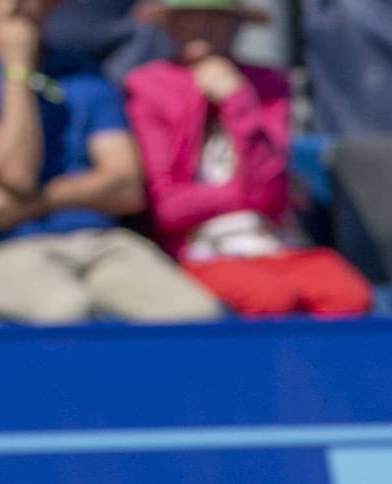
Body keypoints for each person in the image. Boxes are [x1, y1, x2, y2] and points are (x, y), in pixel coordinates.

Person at [0, 0, 223, 324]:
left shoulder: (88, 80)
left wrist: (29, 206)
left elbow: (125, 188)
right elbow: (17, 172)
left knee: (199, 317)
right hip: (4, 253)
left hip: (104, 248)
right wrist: (17, 69)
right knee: (68, 314)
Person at [123, 0, 371, 318]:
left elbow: (269, 186)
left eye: (214, 16)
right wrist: (249, 196)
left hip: (275, 243)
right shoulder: (146, 85)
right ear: (168, 24)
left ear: (237, 24)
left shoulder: (268, 83)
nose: (201, 26)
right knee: (269, 298)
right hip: (198, 252)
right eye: (187, 15)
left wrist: (236, 99)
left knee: (346, 296)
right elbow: (168, 207)